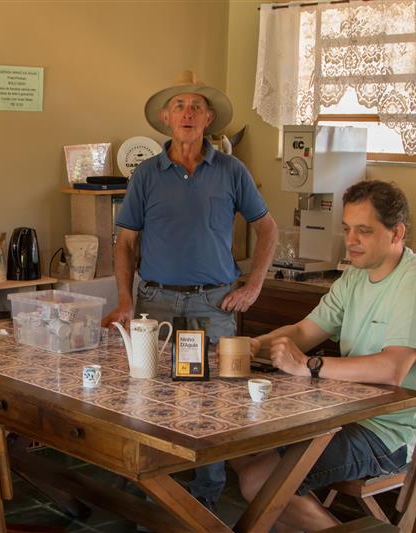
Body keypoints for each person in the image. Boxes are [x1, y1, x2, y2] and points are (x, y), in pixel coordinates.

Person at [231, 180, 416, 532]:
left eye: (364, 231)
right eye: (348, 229)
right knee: (243, 450)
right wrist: (256, 343)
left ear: (397, 233)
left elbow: (393, 368)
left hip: (392, 433)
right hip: (348, 414)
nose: (351, 241)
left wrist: (309, 366)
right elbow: (306, 330)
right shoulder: (356, 276)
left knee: (261, 482)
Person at [102, 71, 278, 509]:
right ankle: (148, 480)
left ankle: (206, 495)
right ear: (165, 117)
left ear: (209, 118)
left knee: (212, 396)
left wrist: (252, 286)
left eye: (196, 107)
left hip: (213, 302)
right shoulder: (146, 174)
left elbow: (268, 229)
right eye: (179, 106)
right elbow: (125, 242)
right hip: (156, 300)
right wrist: (125, 299)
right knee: (149, 389)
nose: (187, 113)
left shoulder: (233, 171)